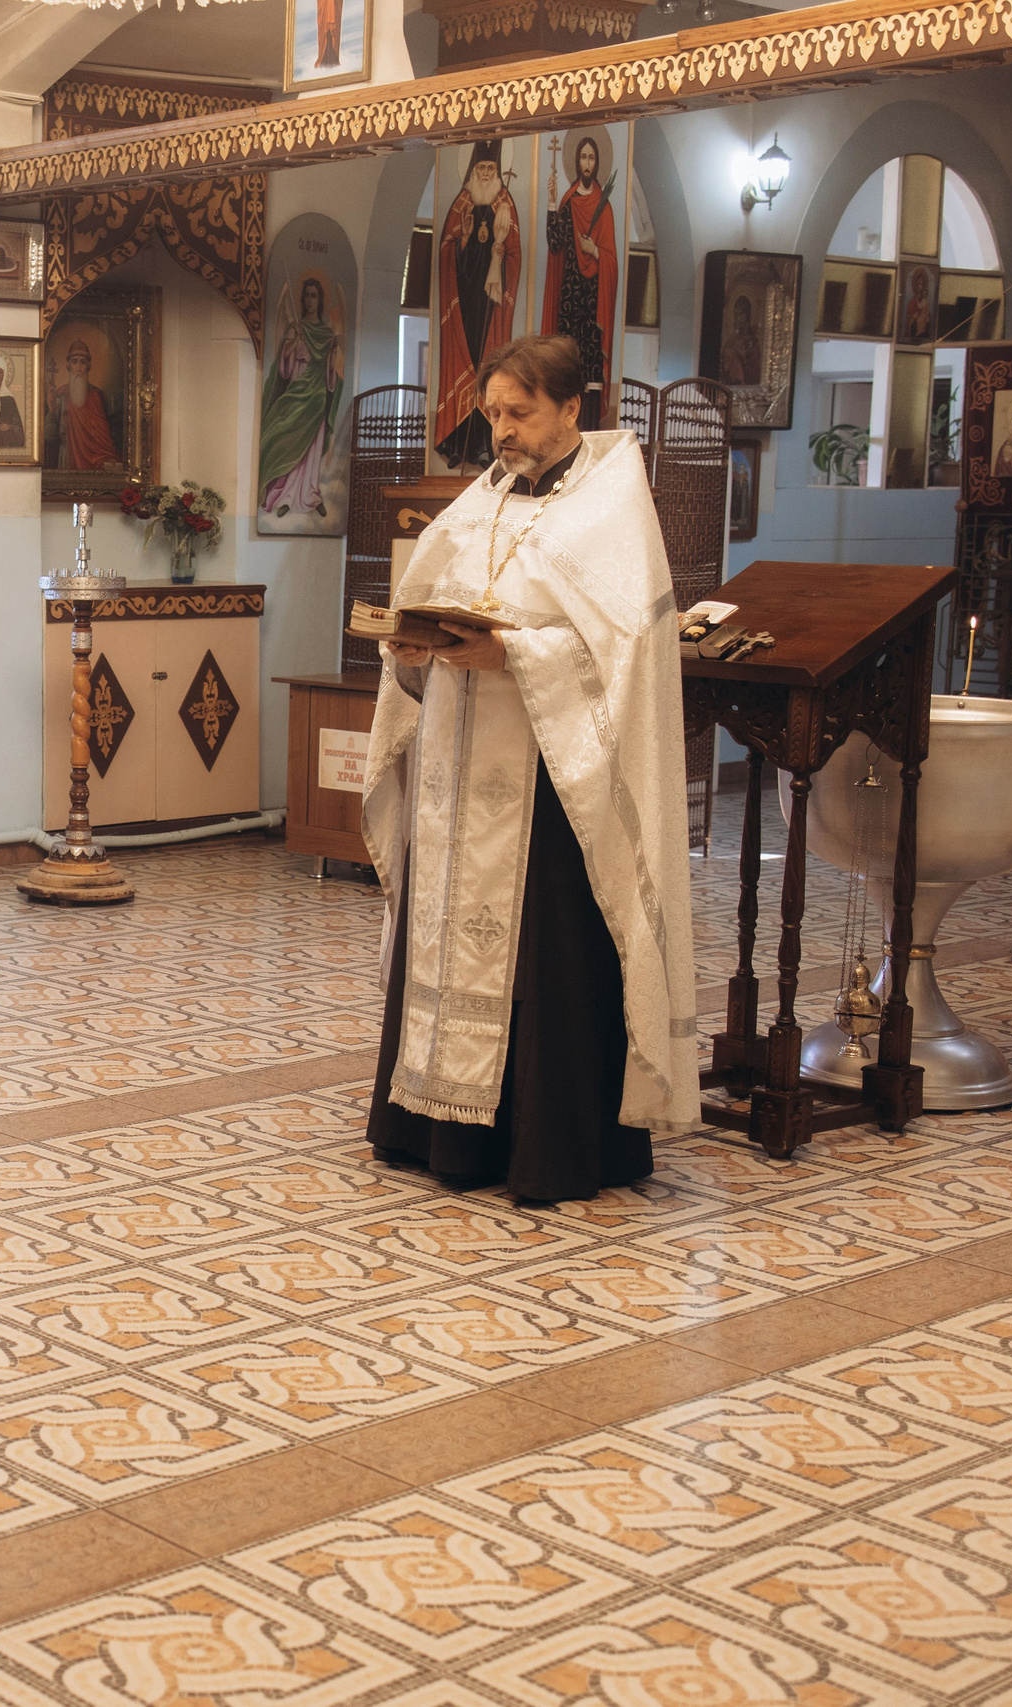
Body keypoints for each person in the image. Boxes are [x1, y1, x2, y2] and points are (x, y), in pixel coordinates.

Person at [362, 334, 698, 1202]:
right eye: (493, 413)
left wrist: (514, 654)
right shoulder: (485, 496)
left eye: (520, 412)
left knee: (547, 952)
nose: (502, 430)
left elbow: (623, 650)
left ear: (571, 408)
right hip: (457, 760)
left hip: (555, 781)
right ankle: (435, 1131)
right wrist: (413, 645)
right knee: (444, 927)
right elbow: (433, 590)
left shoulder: (612, 506)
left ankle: (546, 1145)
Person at [434, 142, 521, 471]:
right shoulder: (462, 203)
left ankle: (485, 446)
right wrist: (465, 239)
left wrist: (501, 255)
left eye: (490, 169)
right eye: (481, 168)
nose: (485, 174)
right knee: (463, 364)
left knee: (488, 368)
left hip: (491, 304)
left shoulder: (505, 204)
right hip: (464, 302)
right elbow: (446, 253)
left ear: (497, 171)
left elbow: (516, 256)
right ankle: (457, 444)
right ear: (472, 171)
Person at [258, 273, 344, 523]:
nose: (309, 300)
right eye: (306, 295)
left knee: (311, 448)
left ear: (320, 300)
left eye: (313, 296)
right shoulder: (296, 329)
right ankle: (286, 495)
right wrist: (293, 342)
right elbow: (283, 370)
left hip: (316, 395)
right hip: (297, 391)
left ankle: (309, 496)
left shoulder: (325, 334)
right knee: (287, 440)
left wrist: (333, 352)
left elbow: (332, 374)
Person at [541, 136, 616, 410]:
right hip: (570, 297)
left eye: (591, 158)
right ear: (576, 162)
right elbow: (555, 243)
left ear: (597, 163)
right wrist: (552, 203)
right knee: (567, 365)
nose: (587, 163)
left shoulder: (604, 207)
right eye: (583, 157)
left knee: (590, 370)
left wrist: (594, 250)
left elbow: (612, 261)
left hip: (593, 300)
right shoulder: (569, 201)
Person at [45, 338, 120, 471]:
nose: (78, 368)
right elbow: (48, 436)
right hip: (66, 459)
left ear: (88, 366)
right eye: (74, 362)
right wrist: (51, 410)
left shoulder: (96, 396)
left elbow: (103, 440)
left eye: (83, 362)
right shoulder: (59, 395)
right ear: (68, 365)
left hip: (93, 462)